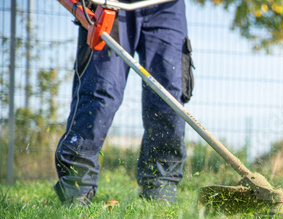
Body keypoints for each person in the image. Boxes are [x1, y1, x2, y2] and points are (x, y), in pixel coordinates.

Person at [54, 0, 194, 206]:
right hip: (111, 4)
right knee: (100, 92)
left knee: (168, 98)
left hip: (165, 6)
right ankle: (77, 187)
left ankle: (160, 190)